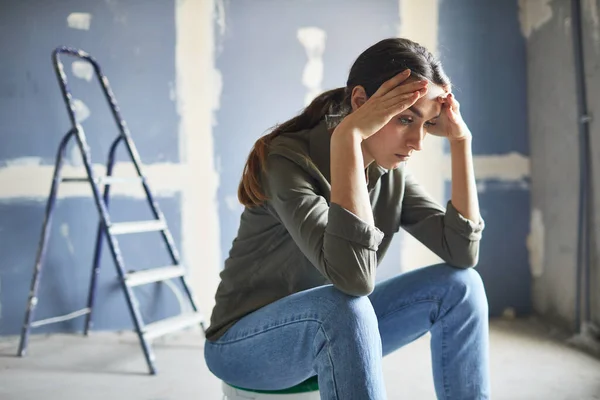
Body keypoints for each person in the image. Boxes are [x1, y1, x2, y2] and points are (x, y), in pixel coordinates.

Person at [204, 37, 490, 399]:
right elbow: (353, 281)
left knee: (462, 288)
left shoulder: (389, 173)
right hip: (242, 345)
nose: (418, 141)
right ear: (360, 102)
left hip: (330, 328)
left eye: (429, 123)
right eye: (405, 119)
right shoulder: (287, 161)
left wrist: (461, 141)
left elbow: (462, 253)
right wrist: (348, 138)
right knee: (344, 308)